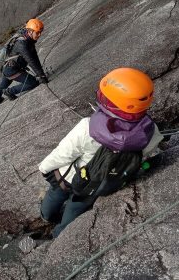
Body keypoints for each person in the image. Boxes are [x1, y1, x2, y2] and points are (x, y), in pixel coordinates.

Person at [38, 68, 164, 238]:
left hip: (70, 179)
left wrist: (44, 168)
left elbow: (63, 153)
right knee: (75, 210)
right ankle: (59, 234)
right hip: (101, 184)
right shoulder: (150, 132)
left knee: (54, 197)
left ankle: (47, 217)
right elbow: (146, 154)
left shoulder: (87, 127)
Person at [0, 18, 49, 107]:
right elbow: (31, 60)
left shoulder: (27, 39)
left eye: (40, 32)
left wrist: (41, 74)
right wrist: (41, 76)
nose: (39, 35)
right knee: (33, 83)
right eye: (37, 32)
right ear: (30, 32)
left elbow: (34, 56)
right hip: (12, 70)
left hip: (8, 68)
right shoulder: (23, 44)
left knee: (3, 84)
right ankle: (9, 92)